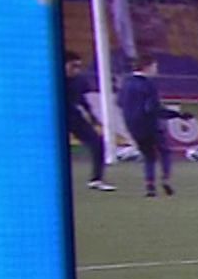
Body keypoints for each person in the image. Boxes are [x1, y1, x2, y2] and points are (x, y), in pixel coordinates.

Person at [116, 56, 188, 198]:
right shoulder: (148, 85)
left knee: (148, 156)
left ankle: (150, 186)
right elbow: (152, 108)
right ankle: (165, 179)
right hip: (149, 124)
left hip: (132, 126)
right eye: (155, 66)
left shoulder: (126, 83)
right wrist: (177, 115)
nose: (156, 69)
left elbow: (119, 103)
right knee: (165, 151)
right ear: (147, 67)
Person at [64, 51, 115, 191]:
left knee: (97, 143)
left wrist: (92, 117)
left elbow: (83, 100)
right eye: (73, 66)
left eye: (79, 66)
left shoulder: (79, 81)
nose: (76, 70)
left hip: (73, 116)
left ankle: (96, 179)